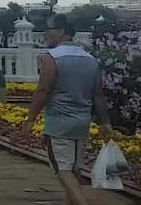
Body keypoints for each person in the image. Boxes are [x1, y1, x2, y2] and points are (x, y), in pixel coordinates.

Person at [22, 14, 112, 205]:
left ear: (61, 32)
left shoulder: (51, 58)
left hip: (59, 123)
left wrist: (30, 118)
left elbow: (43, 89)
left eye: (48, 29)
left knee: (62, 170)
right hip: (82, 122)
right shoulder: (90, 59)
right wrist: (105, 122)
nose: (45, 33)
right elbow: (97, 94)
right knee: (74, 169)